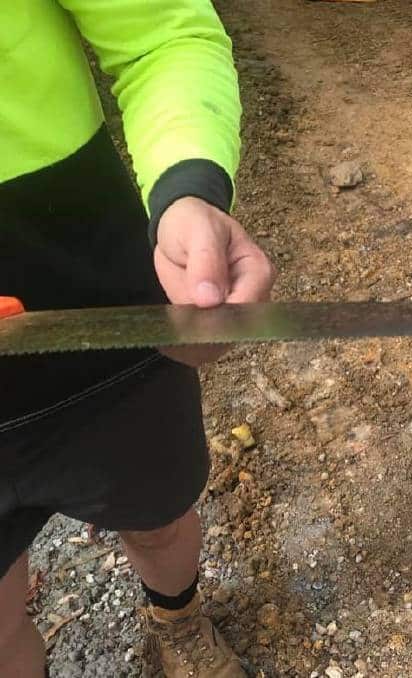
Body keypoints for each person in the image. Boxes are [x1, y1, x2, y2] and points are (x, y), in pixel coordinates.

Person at [1, 1, 275, 676]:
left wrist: (189, 189)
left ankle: (176, 620)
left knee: (159, 512)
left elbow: (160, 32)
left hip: (95, 292)